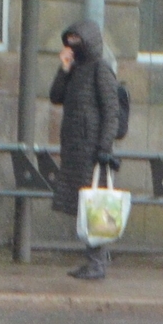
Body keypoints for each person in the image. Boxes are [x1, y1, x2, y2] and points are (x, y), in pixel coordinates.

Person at [50, 19, 122, 280]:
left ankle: (97, 262)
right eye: (69, 40)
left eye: (77, 40)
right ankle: (93, 259)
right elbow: (56, 95)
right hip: (75, 151)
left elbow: (111, 111)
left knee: (96, 207)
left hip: (92, 152)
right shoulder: (77, 69)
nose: (72, 45)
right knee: (84, 206)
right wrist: (64, 68)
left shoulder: (100, 70)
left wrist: (105, 147)